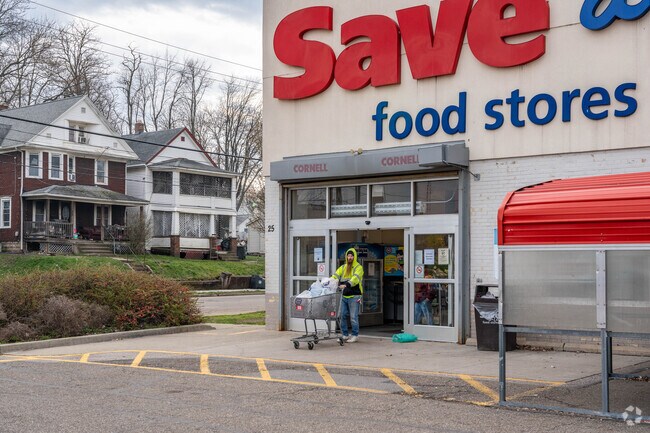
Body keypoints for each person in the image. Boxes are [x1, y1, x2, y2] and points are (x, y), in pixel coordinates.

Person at [331, 248, 364, 343]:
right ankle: (345, 335)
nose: (350, 257)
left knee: (353, 317)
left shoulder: (358, 267)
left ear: (355, 257)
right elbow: (336, 276)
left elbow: (355, 279)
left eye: (352, 256)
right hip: (344, 295)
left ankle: (355, 335)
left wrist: (346, 284)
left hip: (355, 295)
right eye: (348, 256)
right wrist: (329, 281)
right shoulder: (343, 267)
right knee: (342, 315)